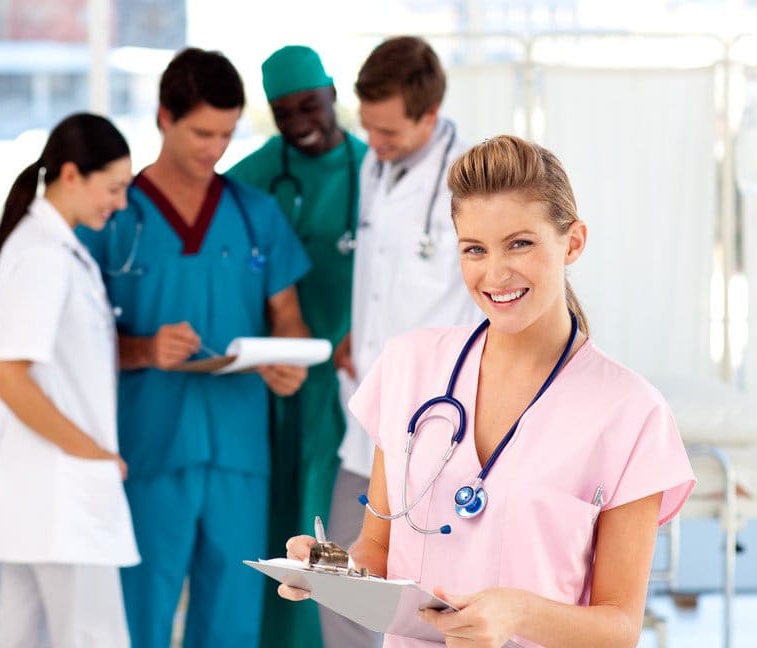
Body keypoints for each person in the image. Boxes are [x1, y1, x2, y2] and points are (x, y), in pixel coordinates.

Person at [281, 135, 697, 647]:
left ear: (573, 242)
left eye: (520, 243)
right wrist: (329, 570)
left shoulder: (632, 413)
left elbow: (620, 627)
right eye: (474, 249)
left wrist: (520, 614)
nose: (495, 274)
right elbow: (377, 547)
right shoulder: (408, 366)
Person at [77, 47, 311, 648]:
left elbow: (289, 318)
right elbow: (71, 346)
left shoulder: (254, 213)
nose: (215, 149)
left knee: (232, 622)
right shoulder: (112, 215)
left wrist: (288, 360)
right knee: (140, 616)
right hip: (147, 449)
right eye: (202, 133)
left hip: (238, 453)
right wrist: (143, 351)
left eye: (227, 135)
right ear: (163, 117)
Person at [325, 35, 481, 647]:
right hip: (366, 413)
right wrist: (357, 333)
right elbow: (384, 277)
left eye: (388, 131)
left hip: (438, 419)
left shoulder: (467, 181)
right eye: (369, 128)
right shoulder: (374, 164)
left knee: (429, 600)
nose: (376, 143)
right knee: (336, 582)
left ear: (429, 116)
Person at [0, 112, 138, 647]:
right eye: (113, 188)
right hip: (58, 488)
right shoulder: (44, 254)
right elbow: (9, 379)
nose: (120, 203)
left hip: (46, 490)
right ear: (71, 175)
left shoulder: (56, 247)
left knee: (20, 634)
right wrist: (92, 452)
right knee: (93, 636)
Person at [227, 44, 368, 648]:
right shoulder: (250, 178)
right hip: (270, 379)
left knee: (334, 529)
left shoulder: (376, 172)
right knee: (272, 527)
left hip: (349, 380)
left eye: (310, 104)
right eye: (285, 112)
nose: (301, 120)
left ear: (333, 94)